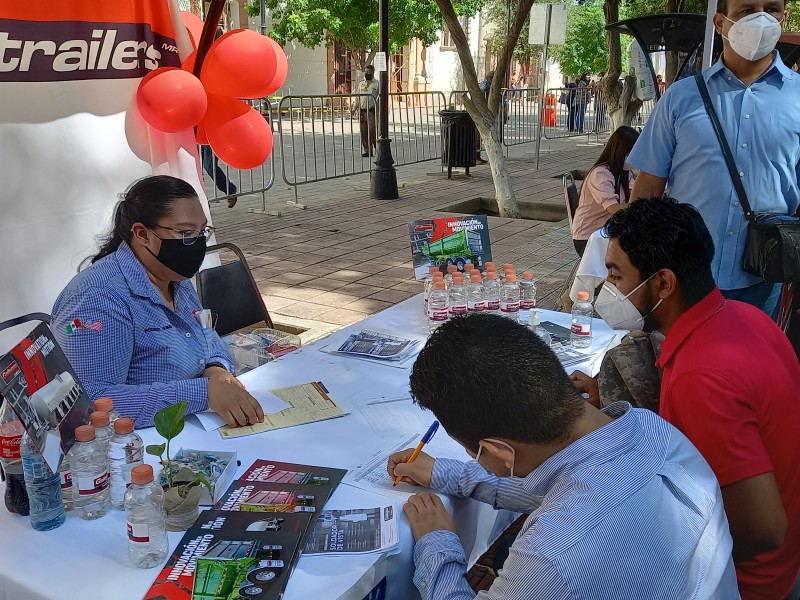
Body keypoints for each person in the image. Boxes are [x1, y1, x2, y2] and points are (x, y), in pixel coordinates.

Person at [388, 313, 739, 600]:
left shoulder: (554, 556)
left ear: (497, 451)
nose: (474, 458)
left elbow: (566, 508)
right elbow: (553, 487)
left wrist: (439, 544)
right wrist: (446, 473)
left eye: (473, 451)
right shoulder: (651, 430)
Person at [571, 196, 800, 600]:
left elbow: (764, 530)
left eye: (616, 275)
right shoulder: (745, 319)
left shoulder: (702, 375)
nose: (608, 289)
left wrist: (664, 561)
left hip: (749, 583)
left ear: (663, 283)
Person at [627, 0, 800, 315]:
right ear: (720, 23)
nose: (762, 19)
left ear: (784, 18)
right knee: (677, 362)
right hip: (683, 277)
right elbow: (648, 188)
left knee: (750, 364)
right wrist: (637, 260)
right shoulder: (681, 98)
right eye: (747, 10)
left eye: (772, 9)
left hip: (763, 282)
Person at [51, 175, 265, 430]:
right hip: (135, 447)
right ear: (142, 234)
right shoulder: (97, 298)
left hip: (191, 426)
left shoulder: (174, 277)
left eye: (202, 231)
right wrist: (204, 393)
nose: (196, 243)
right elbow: (92, 403)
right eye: (185, 233)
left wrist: (215, 368)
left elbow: (204, 334)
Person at [571, 125, 639, 256]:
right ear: (620, 152)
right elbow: (613, 209)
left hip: (608, 232)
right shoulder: (601, 174)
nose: (634, 158)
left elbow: (637, 191)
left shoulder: (625, 173)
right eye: (632, 153)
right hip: (589, 238)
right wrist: (638, 205)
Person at [353, 65, 379, 157]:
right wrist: (354, 108)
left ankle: (378, 150)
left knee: (372, 131)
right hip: (362, 111)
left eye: (369, 72)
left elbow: (380, 98)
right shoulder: (361, 84)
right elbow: (358, 98)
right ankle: (368, 150)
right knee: (364, 132)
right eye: (366, 71)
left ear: (373, 72)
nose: (368, 73)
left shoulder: (377, 84)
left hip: (371, 111)